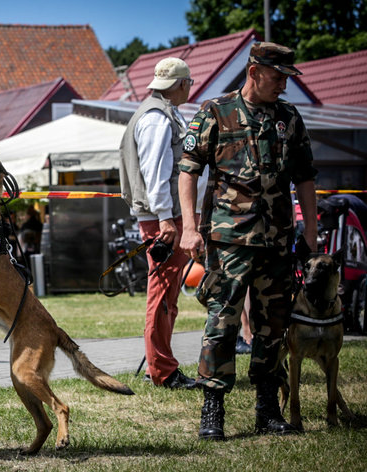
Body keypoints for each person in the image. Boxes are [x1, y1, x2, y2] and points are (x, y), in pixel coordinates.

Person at [178, 42, 318, 440]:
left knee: (272, 325)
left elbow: (306, 176)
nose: (284, 87)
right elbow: (188, 171)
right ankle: (213, 409)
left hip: (277, 240)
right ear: (255, 71)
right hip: (228, 241)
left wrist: (310, 230)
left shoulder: (289, 117)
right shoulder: (215, 112)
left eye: (287, 79)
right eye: (278, 78)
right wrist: (189, 226)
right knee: (222, 322)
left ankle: (267, 409)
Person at [119, 57, 204, 389]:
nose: (189, 89)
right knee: (163, 294)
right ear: (182, 84)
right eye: (190, 84)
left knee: (165, 294)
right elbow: (155, 173)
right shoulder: (157, 118)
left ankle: (160, 365)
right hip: (162, 219)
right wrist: (167, 219)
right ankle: (163, 371)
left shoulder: (158, 112)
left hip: (162, 216)